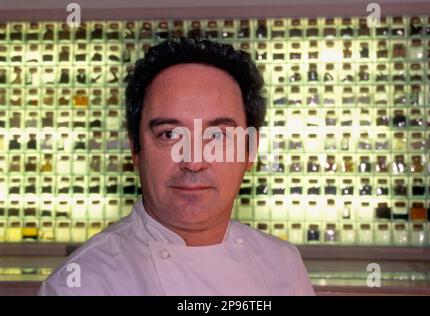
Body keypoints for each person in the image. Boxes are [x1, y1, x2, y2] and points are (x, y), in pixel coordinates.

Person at [38, 37, 314, 296]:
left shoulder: (283, 263)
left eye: (217, 136)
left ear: (249, 150)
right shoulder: (83, 284)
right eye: (169, 134)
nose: (194, 161)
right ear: (135, 149)